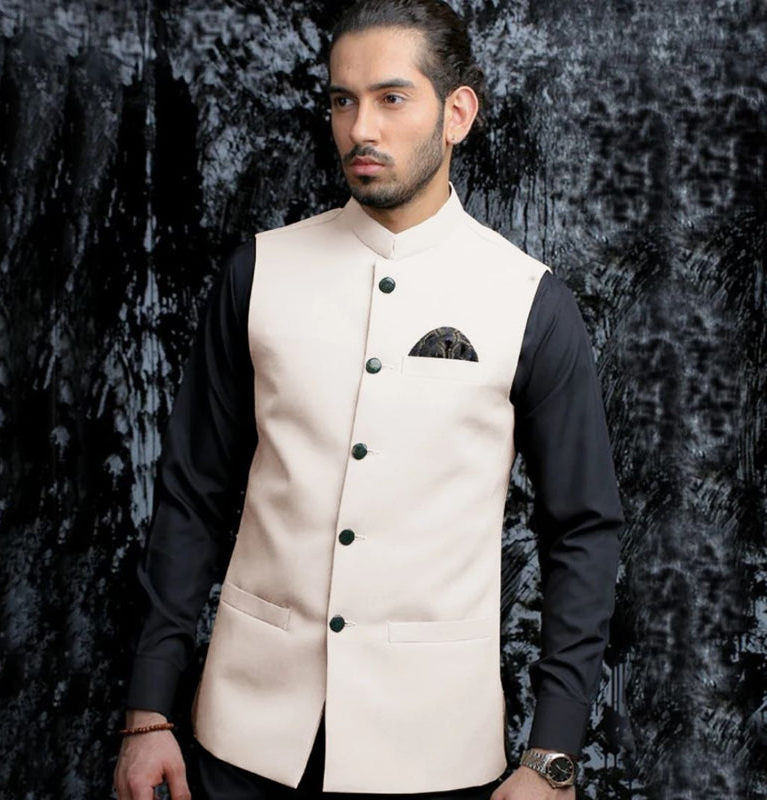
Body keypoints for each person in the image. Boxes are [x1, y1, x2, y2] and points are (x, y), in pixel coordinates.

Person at [113, 1, 624, 799]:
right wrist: (149, 711)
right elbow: (190, 497)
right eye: (343, 100)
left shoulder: (529, 301)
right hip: (241, 746)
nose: (360, 129)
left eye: (391, 98)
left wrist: (551, 754)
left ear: (457, 114)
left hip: (436, 756)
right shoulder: (259, 273)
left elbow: (583, 531)